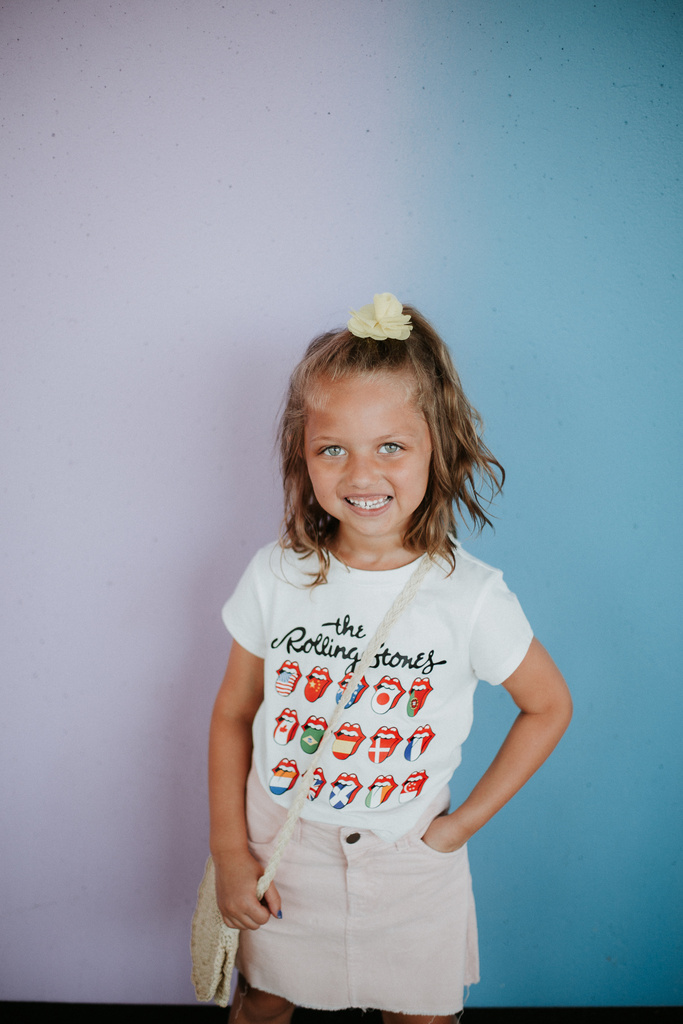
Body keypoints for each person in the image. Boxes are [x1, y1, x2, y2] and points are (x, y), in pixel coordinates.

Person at [209, 294, 572, 1024]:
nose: (360, 474)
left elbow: (548, 705)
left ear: (438, 445)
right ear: (302, 455)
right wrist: (229, 852)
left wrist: (457, 829)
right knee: (264, 1001)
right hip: (284, 847)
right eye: (332, 449)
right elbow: (233, 714)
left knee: (420, 1016)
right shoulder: (276, 574)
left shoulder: (470, 596)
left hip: (409, 862)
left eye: (391, 447)